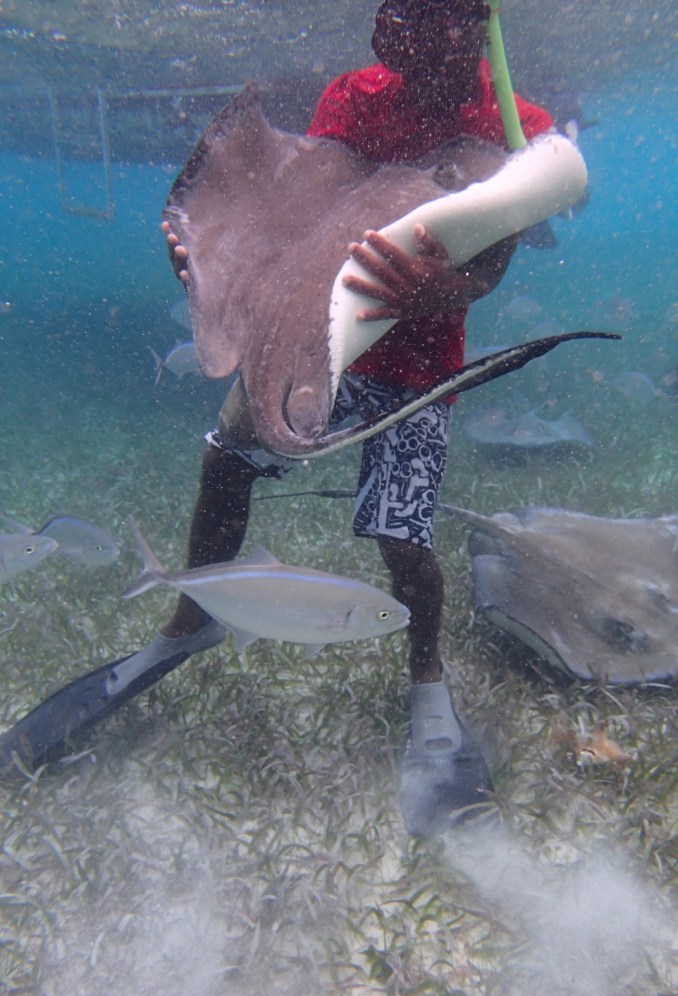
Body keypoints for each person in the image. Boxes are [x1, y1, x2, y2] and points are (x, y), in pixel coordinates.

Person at [114, 0, 554, 835]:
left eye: (443, 36)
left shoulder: (511, 119)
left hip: (420, 361)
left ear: (475, 27)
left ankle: (427, 679)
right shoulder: (355, 97)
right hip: (317, 338)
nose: (420, 59)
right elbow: (302, 207)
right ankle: (192, 616)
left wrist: (440, 291)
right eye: (403, 35)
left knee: (401, 534)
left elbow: (494, 256)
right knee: (227, 457)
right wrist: (215, 246)